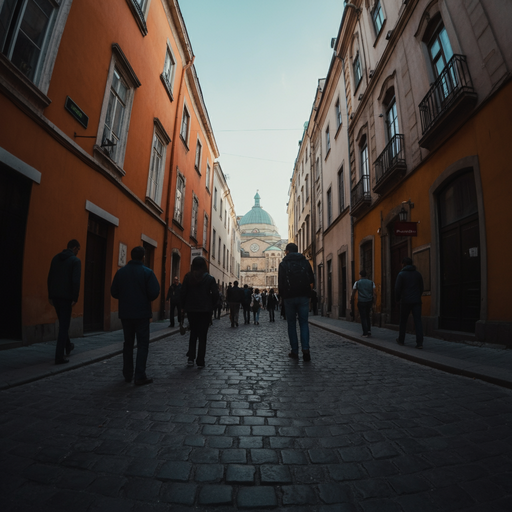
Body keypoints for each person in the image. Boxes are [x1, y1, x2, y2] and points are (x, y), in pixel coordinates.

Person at [111, 246, 160, 385]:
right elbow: (154, 292)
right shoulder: (147, 272)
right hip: (142, 313)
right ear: (143, 257)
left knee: (128, 343)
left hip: (126, 314)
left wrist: (125, 296)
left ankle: (127, 373)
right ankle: (139, 375)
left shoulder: (121, 272)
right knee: (142, 344)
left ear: (131, 256)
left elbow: (114, 292)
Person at [278, 243, 315, 361]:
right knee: (304, 323)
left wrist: (282, 297)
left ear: (287, 251)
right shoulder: (305, 262)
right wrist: (308, 294)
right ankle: (306, 350)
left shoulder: (283, 264)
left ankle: (294, 351)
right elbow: (311, 280)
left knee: (292, 324)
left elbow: (281, 283)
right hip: (303, 296)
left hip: (289, 297)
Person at [180, 256, 219, 367]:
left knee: (193, 333)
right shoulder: (210, 279)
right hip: (205, 310)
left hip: (191, 309)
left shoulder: (188, 277)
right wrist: (211, 304)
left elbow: (183, 293)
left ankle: (191, 357)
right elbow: (215, 294)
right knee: (203, 335)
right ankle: (200, 360)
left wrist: (183, 307)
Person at [47, 239, 81, 364]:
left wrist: (50, 295)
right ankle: (59, 356)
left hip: (55, 296)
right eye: (78, 249)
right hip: (66, 298)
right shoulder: (75, 261)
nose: (78, 252)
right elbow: (76, 281)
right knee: (64, 326)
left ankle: (68, 346)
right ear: (75, 248)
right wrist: (75, 298)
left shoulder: (55, 258)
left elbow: (50, 277)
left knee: (62, 322)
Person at [395, 256, 424, 348]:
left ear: (404, 264)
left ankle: (401, 339)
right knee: (418, 321)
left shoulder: (401, 274)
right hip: (416, 301)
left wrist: (397, 299)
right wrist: (417, 296)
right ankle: (419, 343)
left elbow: (397, 289)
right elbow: (422, 288)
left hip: (405, 301)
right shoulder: (418, 274)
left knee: (403, 321)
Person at [351, 270, 376, 338]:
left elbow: (353, 292)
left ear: (360, 275)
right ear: (366, 275)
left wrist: (352, 299)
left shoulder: (357, 283)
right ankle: (369, 331)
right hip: (369, 301)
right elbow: (374, 293)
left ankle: (365, 333)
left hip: (361, 301)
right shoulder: (371, 283)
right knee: (368, 316)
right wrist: (374, 303)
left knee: (363, 317)